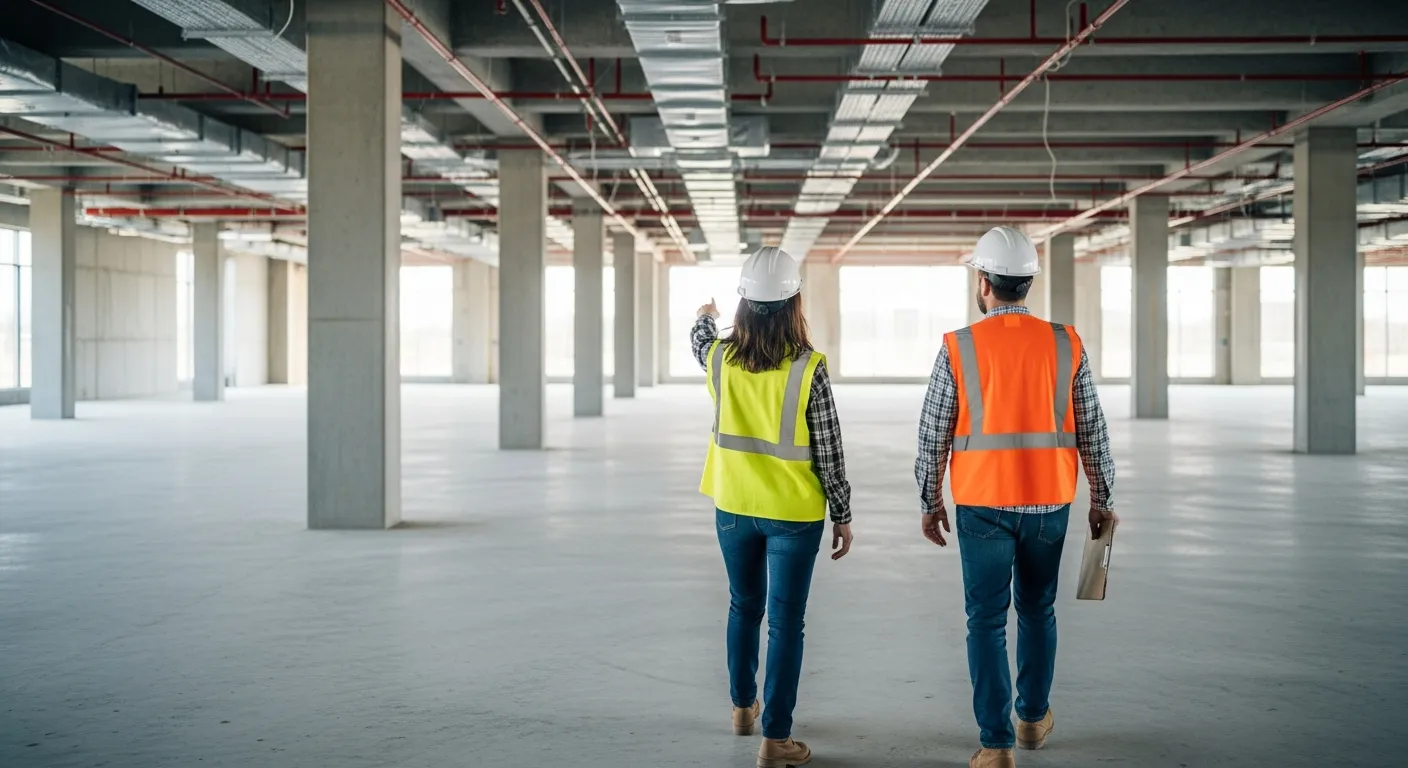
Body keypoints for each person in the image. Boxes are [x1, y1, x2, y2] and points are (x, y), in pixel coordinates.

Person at [914, 226, 1117, 768]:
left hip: (982, 502)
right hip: (1049, 501)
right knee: (1037, 610)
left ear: (985, 283)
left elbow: (933, 433)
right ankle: (1031, 719)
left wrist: (930, 500)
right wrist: (1102, 496)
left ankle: (995, 744)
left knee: (984, 619)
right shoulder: (1065, 342)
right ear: (1027, 283)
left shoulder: (958, 346)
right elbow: (1093, 427)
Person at [692, 245, 854, 768]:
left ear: (742, 304)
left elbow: (699, 342)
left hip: (733, 506)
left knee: (743, 606)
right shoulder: (809, 367)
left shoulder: (718, 357)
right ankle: (775, 738)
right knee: (786, 622)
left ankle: (743, 708)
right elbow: (829, 449)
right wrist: (843, 512)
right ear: (793, 304)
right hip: (794, 514)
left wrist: (704, 316)